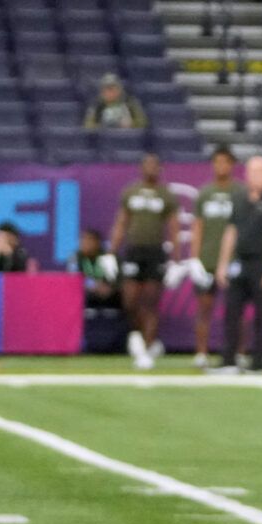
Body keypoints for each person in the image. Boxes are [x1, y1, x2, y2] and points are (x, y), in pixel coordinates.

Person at [213, 155, 262, 374]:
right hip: (240, 261)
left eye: (260, 172)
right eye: (252, 171)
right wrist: (222, 264)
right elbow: (231, 231)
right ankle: (229, 359)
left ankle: (258, 361)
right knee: (231, 311)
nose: (255, 176)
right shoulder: (239, 198)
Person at [109, 152, 177, 370]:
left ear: (160, 169)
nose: (150, 168)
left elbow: (174, 227)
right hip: (134, 250)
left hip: (155, 251)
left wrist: (176, 258)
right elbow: (122, 222)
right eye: (147, 165)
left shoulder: (166, 195)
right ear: (141, 168)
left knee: (150, 301)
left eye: (154, 165)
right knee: (130, 300)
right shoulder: (131, 192)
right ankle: (139, 337)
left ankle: (146, 349)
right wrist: (111, 251)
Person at [189, 146, 241, 367]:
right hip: (208, 259)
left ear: (232, 165)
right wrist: (194, 258)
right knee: (204, 308)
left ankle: (236, 352)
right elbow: (197, 227)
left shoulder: (240, 192)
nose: (221, 166)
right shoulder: (205, 193)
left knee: (235, 310)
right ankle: (202, 352)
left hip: (234, 260)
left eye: (225, 162)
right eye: (217, 162)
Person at [69, 229, 122, 312]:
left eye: (89, 240)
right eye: (83, 240)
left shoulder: (107, 256)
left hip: (107, 293)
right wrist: (93, 286)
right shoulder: (75, 257)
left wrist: (108, 287)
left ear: (97, 242)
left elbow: (113, 279)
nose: (85, 243)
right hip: (88, 292)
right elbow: (73, 279)